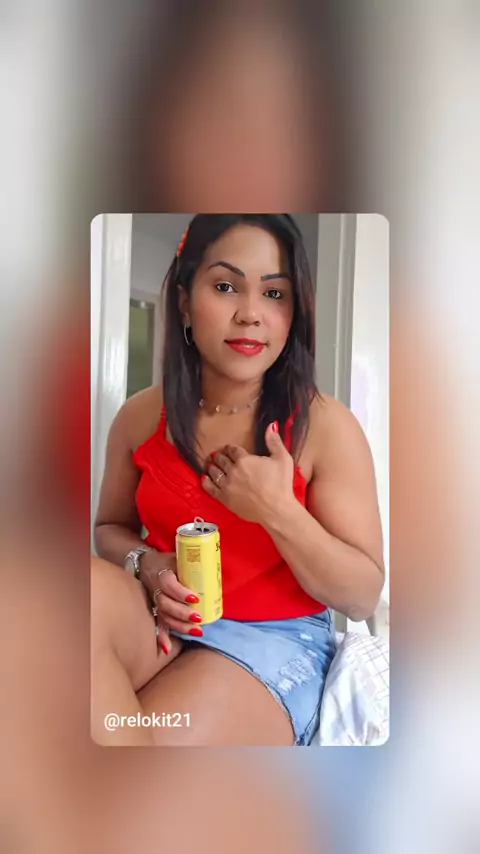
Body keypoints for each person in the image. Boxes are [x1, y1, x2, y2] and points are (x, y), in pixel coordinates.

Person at [92, 213, 384, 746]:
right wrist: (147, 565)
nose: (250, 313)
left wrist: (277, 509)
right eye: (226, 286)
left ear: (294, 313)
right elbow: (110, 529)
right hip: (160, 612)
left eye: (274, 294)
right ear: (184, 301)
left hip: (275, 636)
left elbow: (362, 597)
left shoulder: (325, 426)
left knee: (151, 742)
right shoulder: (140, 416)